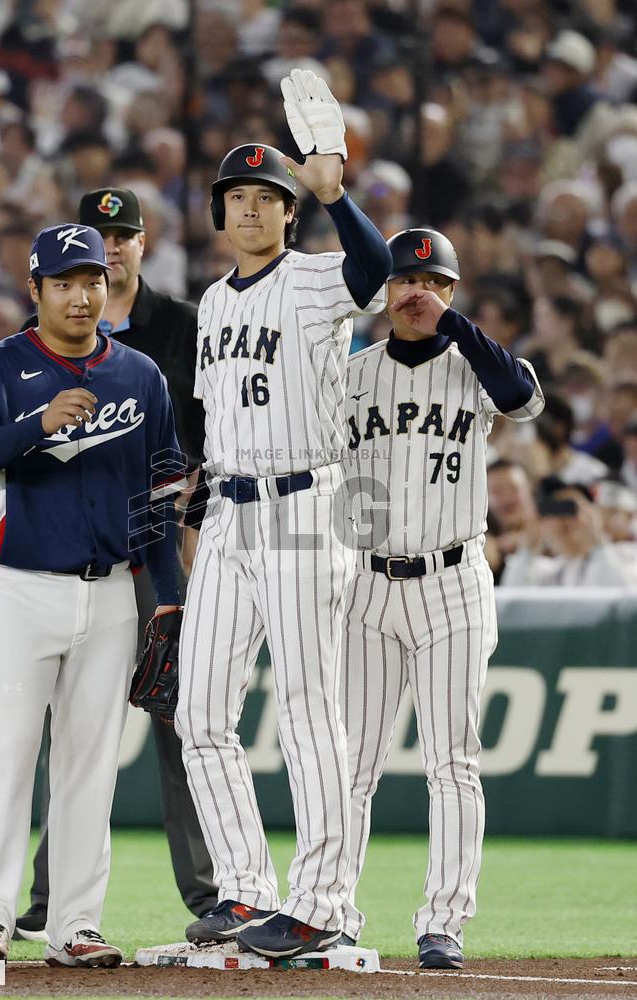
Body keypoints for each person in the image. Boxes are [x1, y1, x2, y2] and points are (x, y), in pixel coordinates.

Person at [175, 69, 392, 960]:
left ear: (287, 212)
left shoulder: (313, 280)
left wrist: (339, 196)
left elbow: (375, 274)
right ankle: (244, 889)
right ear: (220, 215)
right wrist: (193, 518)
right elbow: (211, 423)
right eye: (238, 197)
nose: (252, 209)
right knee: (198, 714)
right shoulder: (212, 306)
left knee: (308, 709)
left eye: (268, 196)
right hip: (230, 511)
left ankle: (324, 901)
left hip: (309, 504)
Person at [0, 223, 185, 965]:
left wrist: (169, 599)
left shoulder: (140, 375)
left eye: (93, 282)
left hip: (110, 591)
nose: (82, 296)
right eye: (65, 283)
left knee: (88, 765)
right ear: (36, 290)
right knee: (8, 755)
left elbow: (159, 496)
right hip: (16, 587)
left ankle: (74, 925)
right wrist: (33, 425)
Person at [12, 187, 216, 944]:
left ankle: (211, 895)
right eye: (98, 237)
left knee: (181, 718)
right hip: (77, 558)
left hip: (165, 547)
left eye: (123, 234)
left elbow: (216, 440)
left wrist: (193, 531)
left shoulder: (187, 327)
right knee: (66, 727)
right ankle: (48, 897)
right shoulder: (36, 343)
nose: (113, 246)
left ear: (140, 243)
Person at [340, 228, 545, 968]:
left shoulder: (476, 368)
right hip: (363, 582)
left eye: (431, 282)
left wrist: (451, 323)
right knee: (349, 763)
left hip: (454, 581)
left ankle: (443, 923)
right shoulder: (351, 373)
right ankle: (332, 907)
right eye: (401, 279)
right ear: (380, 290)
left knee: (451, 761)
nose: (414, 292)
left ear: (453, 294)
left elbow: (523, 399)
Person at [500, 478, 637, 587]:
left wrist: (598, 544)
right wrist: (528, 546)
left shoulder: (626, 555)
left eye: (570, 508)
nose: (564, 521)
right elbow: (514, 601)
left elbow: (623, 597)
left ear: (594, 514)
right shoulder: (548, 570)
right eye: (555, 510)